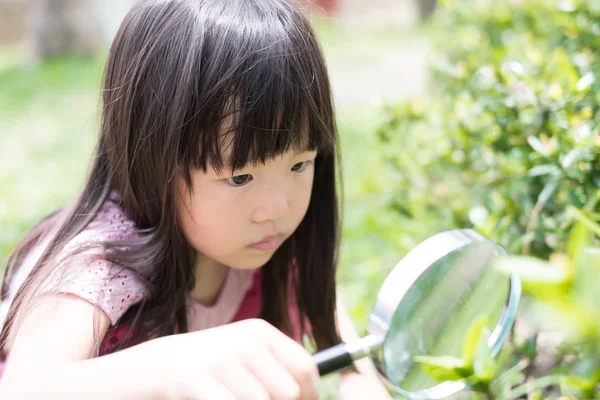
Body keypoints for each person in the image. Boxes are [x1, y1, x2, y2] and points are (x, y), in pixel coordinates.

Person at [0, 0, 392, 398]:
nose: (277, 208)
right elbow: (23, 389)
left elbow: (316, 298)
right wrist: (173, 365)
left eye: (299, 165)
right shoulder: (100, 267)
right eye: (240, 177)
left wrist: (359, 380)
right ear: (153, 157)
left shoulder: (257, 242)